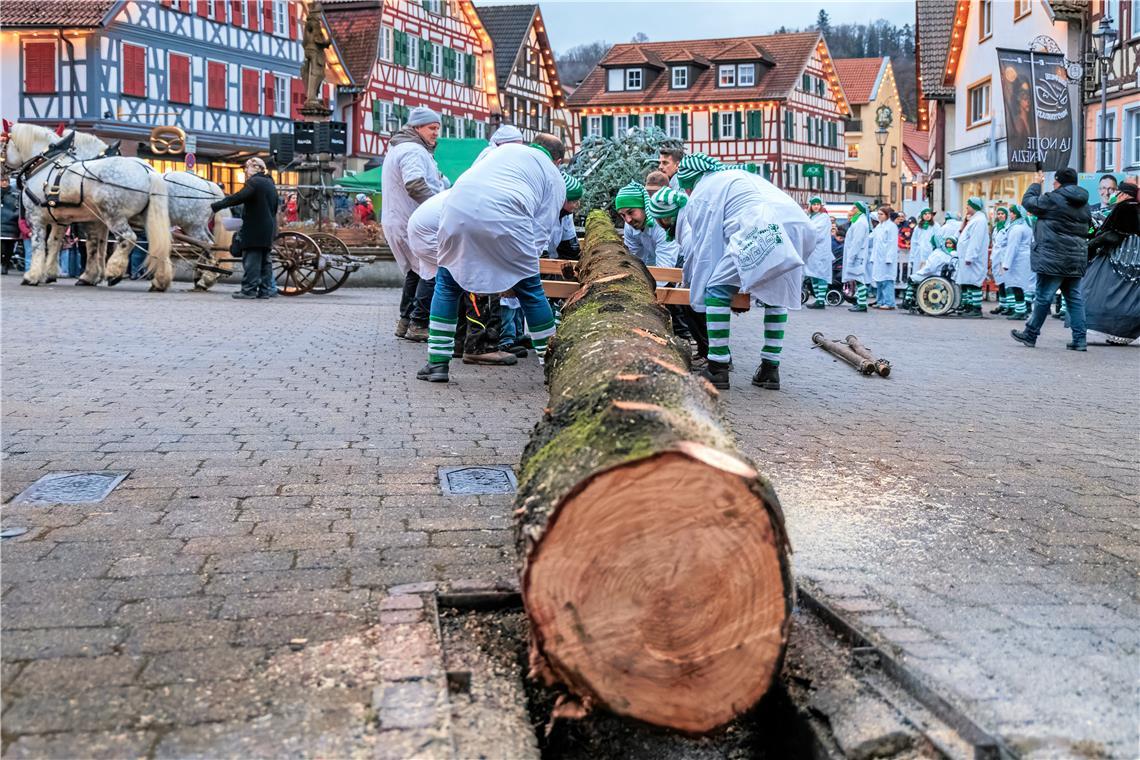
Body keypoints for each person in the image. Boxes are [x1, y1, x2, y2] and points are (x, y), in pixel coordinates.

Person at [649, 153, 811, 391]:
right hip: (795, 223)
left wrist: (699, 288)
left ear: (688, 182)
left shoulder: (703, 192)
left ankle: (718, 366)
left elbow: (706, 248)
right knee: (776, 294)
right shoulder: (730, 177)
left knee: (716, 289)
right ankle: (770, 369)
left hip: (760, 225)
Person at [418, 134, 566, 383]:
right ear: (558, 160)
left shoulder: (499, 152)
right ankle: (552, 366)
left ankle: (437, 363)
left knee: (447, 284)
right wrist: (522, 267)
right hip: (508, 213)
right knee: (531, 291)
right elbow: (542, 228)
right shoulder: (553, 175)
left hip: (456, 209)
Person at [407, 189, 517, 366]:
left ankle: (459, 343)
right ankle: (480, 348)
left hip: (427, 232)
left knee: (456, 282)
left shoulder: (482, 189)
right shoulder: (494, 199)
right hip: (432, 234)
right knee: (481, 280)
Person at [383, 106, 446, 342]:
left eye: (437, 128)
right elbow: (415, 184)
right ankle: (419, 323)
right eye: (431, 128)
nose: (435, 133)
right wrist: (439, 208)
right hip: (412, 221)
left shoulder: (403, 148)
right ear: (417, 128)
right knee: (431, 269)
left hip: (399, 220)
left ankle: (405, 321)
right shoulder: (413, 151)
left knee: (414, 271)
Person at [1011, 168, 1092, 350]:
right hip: (1076, 258)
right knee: (1074, 298)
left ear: (1058, 181)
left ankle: (1030, 334)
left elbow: (1028, 202)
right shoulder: (1083, 202)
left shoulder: (1054, 198)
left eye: (1054, 181)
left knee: (1043, 297)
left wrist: (1036, 183)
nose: (1053, 184)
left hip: (1053, 257)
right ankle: (1080, 340)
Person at [210, 157, 279, 299]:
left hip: (255, 228)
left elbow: (238, 197)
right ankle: (265, 291)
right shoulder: (269, 183)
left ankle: (249, 290)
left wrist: (216, 205)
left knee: (252, 260)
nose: (245, 171)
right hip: (267, 228)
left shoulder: (254, 182)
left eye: (246, 168)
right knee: (265, 261)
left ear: (255, 168)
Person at [1083, 181, 1140, 343]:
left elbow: (1113, 234)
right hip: (1135, 258)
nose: (1113, 194)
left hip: (1120, 255)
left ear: (1123, 194)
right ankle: (1124, 333)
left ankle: (1103, 325)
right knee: (1130, 294)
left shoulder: (1124, 208)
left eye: (1116, 191)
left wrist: (1091, 245)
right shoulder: (1136, 207)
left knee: (1101, 290)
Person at [954, 197, 989, 317]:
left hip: (973, 259)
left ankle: (976, 308)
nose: (966, 207)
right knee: (968, 282)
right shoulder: (975, 219)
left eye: (968, 205)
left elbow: (976, 240)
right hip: (966, 258)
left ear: (974, 206)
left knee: (974, 282)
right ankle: (969, 306)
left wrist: (970, 257)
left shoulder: (979, 221)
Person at [1001, 205, 1034, 320]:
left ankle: (1020, 311)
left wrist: (1006, 264)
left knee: (1017, 285)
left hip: (1018, 259)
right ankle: (1021, 309)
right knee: (1020, 284)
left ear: (1018, 214)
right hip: (1022, 258)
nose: (1010, 215)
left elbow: (1013, 247)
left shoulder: (1017, 228)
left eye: (1012, 213)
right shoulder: (1025, 226)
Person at [803, 197, 833, 309]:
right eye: (814, 204)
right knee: (813, 274)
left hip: (821, 250)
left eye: (818, 204)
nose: (816, 206)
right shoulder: (810, 216)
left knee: (821, 275)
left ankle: (821, 300)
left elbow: (817, 232)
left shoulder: (824, 217)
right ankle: (817, 299)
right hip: (812, 251)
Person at [842, 202, 872, 312]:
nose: (852, 209)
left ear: (859, 209)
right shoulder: (859, 221)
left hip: (857, 255)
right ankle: (861, 302)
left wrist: (851, 256)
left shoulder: (860, 223)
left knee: (859, 279)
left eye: (854, 207)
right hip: (857, 255)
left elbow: (857, 241)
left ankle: (862, 304)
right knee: (858, 278)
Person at [869, 206, 899, 310]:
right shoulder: (879, 227)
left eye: (881, 214)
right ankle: (880, 300)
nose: (879, 216)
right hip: (878, 258)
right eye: (878, 214)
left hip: (886, 258)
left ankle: (889, 302)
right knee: (879, 280)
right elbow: (873, 240)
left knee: (887, 280)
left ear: (887, 215)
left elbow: (892, 243)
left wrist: (889, 257)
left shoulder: (891, 227)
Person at [989, 206, 1010, 314]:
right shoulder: (996, 227)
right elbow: (994, 243)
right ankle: (1002, 304)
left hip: (1005, 257)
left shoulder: (1009, 227)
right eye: (999, 214)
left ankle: (1010, 305)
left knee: (1007, 281)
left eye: (1003, 214)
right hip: (997, 256)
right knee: (1000, 281)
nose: (1000, 216)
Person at [909, 208, 937, 280]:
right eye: (925, 214)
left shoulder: (935, 226)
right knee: (918, 271)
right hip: (919, 253)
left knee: (929, 271)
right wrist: (912, 255)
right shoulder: (918, 227)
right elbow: (914, 241)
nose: (927, 215)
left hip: (930, 252)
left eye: (929, 214)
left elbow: (938, 239)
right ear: (922, 216)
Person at [1, 178, 19, 275]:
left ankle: (5, 265)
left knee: (9, 249)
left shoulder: (15, 194)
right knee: (1, 248)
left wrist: (14, 215)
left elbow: (19, 207)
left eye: (5, 181)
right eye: (1, 181)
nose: (4, 183)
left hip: (11, 225)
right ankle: (3, 263)